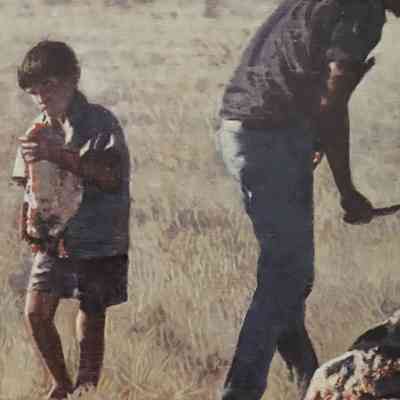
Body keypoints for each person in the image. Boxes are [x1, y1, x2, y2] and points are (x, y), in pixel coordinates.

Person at [216, 0, 400, 399]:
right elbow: (331, 103)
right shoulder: (363, 12)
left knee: (289, 276)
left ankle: (308, 380)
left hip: (247, 130)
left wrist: (309, 140)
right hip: (270, 136)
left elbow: (300, 72)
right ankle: (240, 392)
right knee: (285, 276)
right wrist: (347, 192)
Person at [12, 40, 130, 400]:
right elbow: (28, 184)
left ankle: (85, 388)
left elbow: (110, 176)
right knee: (36, 313)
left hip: (98, 235)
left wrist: (58, 155)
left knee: (91, 313)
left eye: (49, 85)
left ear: (72, 79)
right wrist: (27, 220)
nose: (41, 96)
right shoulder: (38, 125)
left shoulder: (99, 121)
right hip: (54, 236)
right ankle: (61, 383)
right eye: (35, 90)